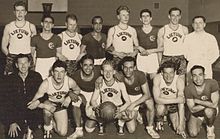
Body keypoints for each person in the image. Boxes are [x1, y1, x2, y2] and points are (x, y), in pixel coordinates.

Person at [27, 60, 81, 139]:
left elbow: (77, 90)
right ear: (52, 72)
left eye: (62, 72)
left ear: (65, 73)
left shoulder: (69, 81)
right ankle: (47, 127)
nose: (59, 75)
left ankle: (52, 121)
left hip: (61, 106)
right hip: (50, 104)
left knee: (62, 133)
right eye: (56, 71)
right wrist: (45, 106)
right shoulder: (46, 83)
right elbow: (33, 103)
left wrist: (69, 97)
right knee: (47, 110)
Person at [117, 56, 160, 138]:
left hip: (141, 97)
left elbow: (147, 94)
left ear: (135, 67)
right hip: (128, 98)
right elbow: (107, 73)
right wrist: (100, 79)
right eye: (125, 67)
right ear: (122, 67)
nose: (128, 70)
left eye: (131, 68)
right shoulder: (119, 75)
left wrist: (133, 105)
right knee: (131, 130)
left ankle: (150, 128)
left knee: (150, 102)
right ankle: (137, 114)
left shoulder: (140, 75)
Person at [86, 60, 131, 135]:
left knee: (130, 114)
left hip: (117, 108)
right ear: (102, 72)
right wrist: (96, 107)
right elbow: (93, 100)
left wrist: (120, 109)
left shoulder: (120, 84)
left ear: (114, 72)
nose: (108, 74)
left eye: (110, 71)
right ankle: (101, 122)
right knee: (88, 119)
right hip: (104, 109)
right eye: (105, 71)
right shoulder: (100, 83)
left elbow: (128, 102)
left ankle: (120, 123)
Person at [5, 54, 43, 139]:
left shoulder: (36, 76)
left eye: (25, 63)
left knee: (38, 135)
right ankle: (25, 130)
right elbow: (5, 102)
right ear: (16, 65)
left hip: (33, 111)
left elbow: (45, 94)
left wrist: (38, 101)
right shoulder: (10, 79)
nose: (23, 66)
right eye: (20, 63)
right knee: (13, 135)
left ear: (29, 64)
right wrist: (12, 122)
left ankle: (31, 129)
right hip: (17, 113)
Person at [67, 54, 101, 139]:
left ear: (93, 65)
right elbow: (66, 86)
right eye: (85, 65)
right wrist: (70, 93)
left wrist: (113, 73)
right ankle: (78, 130)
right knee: (75, 100)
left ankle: (95, 119)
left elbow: (110, 71)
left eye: (90, 65)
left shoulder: (98, 71)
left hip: (95, 95)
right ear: (81, 65)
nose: (88, 68)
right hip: (82, 94)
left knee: (89, 129)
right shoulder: (76, 75)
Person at [1, 1, 36, 75]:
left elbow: (34, 46)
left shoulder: (31, 26)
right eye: (17, 11)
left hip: (27, 56)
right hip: (13, 56)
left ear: (25, 12)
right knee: (10, 81)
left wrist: (32, 58)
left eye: (22, 11)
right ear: (14, 12)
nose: (20, 13)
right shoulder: (9, 26)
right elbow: (3, 46)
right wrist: (10, 56)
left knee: (29, 80)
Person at [153, 61, 186, 138]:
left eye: (171, 73)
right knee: (160, 108)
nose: (168, 76)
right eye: (166, 73)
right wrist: (176, 100)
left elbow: (181, 104)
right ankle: (159, 119)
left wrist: (181, 125)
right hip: (161, 105)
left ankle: (170, 117)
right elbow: (157, 99)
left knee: (178, 129)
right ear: (161, 73)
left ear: (175, 72)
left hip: (173, 106)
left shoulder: (179, 81)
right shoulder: (157, 78)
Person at [185, 65, 219, 139]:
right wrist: (208, 103)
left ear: (204, 75)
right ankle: (201, 119)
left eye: (200, 75)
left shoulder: (212, 83)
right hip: (197, 112)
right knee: (193, 133)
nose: (197, 79)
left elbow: (214, 104)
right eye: (195, 76)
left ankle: (210, 127)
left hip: (210, 109)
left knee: (209, 111)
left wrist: (198, 101)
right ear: (191, 77)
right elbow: (192, 109)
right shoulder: (188, 88)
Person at [157, 7, 188, 79]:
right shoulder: (162, 30)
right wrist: (160, 64)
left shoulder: (184, 29)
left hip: (180, 57)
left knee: (181, 81)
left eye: (177, 15)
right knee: (167, 81)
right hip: (167, 57)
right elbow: (159, 49)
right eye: (173, 15)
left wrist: (186, 61)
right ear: (169, 16)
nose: (175, 18)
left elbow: (187, 47)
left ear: (180, 16)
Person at [31, 15, 62, 80]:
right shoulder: (35, 38)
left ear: (53, 25)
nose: (48, 24)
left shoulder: (57, 38)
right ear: (42, 23)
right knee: (39, 83)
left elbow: (58, 55)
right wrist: (33, 66)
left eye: (50, 22)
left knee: (51, 84)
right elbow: (32, 54)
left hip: (52, 62)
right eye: (46, 22)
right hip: (39, 63)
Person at [136, 9, 161, 79]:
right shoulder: (137, 31)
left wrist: (159, 61)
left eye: (147, 16)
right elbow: (131, 46)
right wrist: (138, 47)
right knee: (142, 80)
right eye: (143, 16)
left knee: (155, 80)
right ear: (140, 19)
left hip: (153, 57)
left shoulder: (157, 30)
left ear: (151, 18)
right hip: (141, 57)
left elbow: (161, 48)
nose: (145, 18)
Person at [58, 14, 83, 78]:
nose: (72, 27)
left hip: (76, 63)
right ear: (66, 24)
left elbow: (84, 51)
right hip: (65, 63)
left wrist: (81, 55)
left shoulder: (80, 36)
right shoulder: (60, 36)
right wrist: (60, 56)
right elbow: (56, 52)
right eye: (70, 24)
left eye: (74, 25)